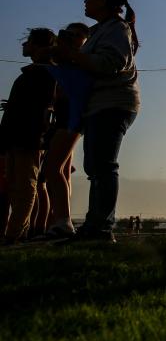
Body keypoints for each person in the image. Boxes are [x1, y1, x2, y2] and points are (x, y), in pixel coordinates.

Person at [50, 0, 140, 243]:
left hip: (113, 103)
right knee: (96, 166)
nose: (85, 1)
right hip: (101, 105)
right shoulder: (103, 30)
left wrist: (72, 55)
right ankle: (95, 226)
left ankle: (100, 229)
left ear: (104, 1)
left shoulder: (116, 29)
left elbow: (110, 64)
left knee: (102, 166)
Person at [1, 28, 57, 244]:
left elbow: (41, 109)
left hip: (27, 137)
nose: (24, 45)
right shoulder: (35, 73)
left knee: (24, 186)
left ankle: (14, 234)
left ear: (38, 45)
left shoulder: (45, 73)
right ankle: (16, 231)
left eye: (28, 41)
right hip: (18, 137)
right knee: (17, 186)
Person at [40, 22, 90, 238]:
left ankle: (63, 220)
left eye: (78, 34)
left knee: (53, 168)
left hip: (72, 119)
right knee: (60, 172)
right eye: (71, 33)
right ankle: (59, 219)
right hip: (64, 118)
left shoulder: (82, 62)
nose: (74, 37)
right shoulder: (66, 63)